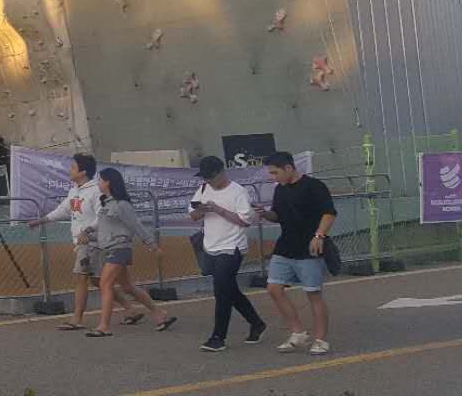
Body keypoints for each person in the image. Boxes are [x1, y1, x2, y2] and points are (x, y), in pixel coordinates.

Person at [257, 151, 337, 355]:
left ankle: (320, 339)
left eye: (275, 173)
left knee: (313, 294)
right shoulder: (280, 189)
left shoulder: (314, 186)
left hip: (309, 248)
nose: (273, 177)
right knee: (274, 288)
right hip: (285, 246)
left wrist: (319, 235)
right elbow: (277, 215)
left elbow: (329, 213)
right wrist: (265, 213)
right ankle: (298, 333)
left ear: (288, 168)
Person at [85, 168, 176, 336]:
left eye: (101, 180)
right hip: (108, 249)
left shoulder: (122, 205)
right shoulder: (106, 204)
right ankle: (159, 313)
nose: (98, 183)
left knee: (105, 284)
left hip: (119, 248)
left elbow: (136, 225)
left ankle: (103, 327)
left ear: (108, 182)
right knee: (127, 286)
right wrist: (88, 233)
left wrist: (152, 246)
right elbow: (102, 227)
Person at [190, 155, 267, 353]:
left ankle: (218, 336)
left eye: (210, 177)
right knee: (229, 289)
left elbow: (245, 221)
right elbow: (193, 215)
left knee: (221, 290)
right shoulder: (203, 189)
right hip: (211, 246)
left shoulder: (238, 191)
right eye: (205, 177)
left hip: (232, 247)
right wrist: (202, 210)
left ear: (221, 173)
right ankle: (256, 323)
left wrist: (219, 210)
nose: (207, 181)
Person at [27, 153, 102, 330]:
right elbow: (63, 210)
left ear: (83, 172)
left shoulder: (96, 191)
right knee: (99, 282)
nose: (70, 170)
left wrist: (87, 231)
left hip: (91, 243)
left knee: (80, 278)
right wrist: (41, 221)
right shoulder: (74, 191)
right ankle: (133, 309)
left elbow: (102, 216)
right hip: (82, 243)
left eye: (73, 167)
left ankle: (77, 319)